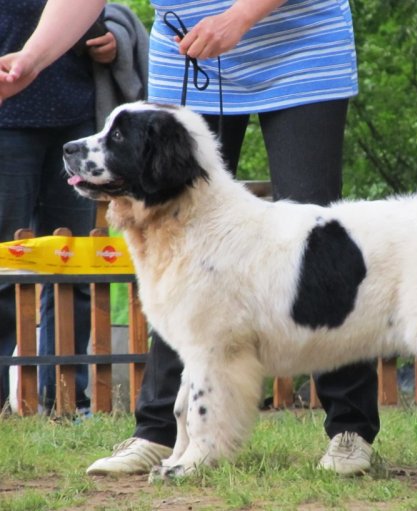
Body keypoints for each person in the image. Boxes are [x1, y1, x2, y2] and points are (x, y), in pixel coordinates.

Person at [0, 0, 380, 476]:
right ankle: (159, 432)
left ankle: (350, 428)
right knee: (174, 262)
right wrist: (31, 59)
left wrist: (240, 15)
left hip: (299, 48)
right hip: (188, 51)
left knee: (318, 244)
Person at [0, 2, 148, 414]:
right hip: (6, 123)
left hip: (78, 123)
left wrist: (113, 41)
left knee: (75, 269)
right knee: (2, 268)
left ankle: (65, 402)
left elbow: (102, 11)